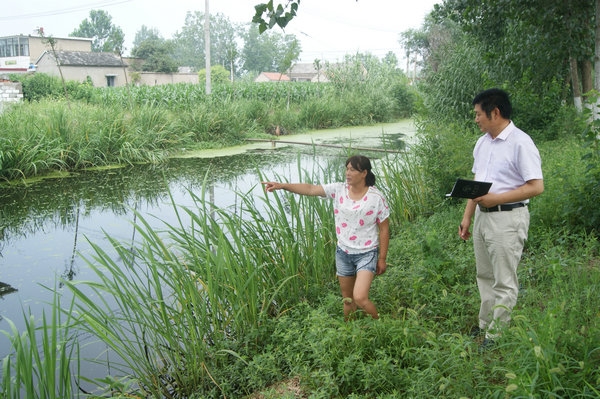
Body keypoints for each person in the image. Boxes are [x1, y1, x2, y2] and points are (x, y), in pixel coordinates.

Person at [458, 88, 544, 349]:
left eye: (478, 114)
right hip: (484, 217)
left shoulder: (521, 143)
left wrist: (497, 198)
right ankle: (485, 324)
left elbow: (536, 186)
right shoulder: (482, 143)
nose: (476, 119)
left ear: (495, 113)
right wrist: (467, 216)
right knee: (484, 274)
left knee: (504, 279)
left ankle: (497, 335)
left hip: (508, 218)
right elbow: (477, 183)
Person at [263, 155, 390, 320]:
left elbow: (384, 229)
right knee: (348, 299)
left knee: (360, 297)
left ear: (364, 172)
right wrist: (283, 186)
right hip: (343, 253)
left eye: (352, 169)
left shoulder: (376, 197)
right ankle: (350, 331)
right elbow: (310, 189)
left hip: (366, 253)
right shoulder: (339, 189)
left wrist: (382, 258)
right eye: (347, 169)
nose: (347, 173)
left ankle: (380, 326)